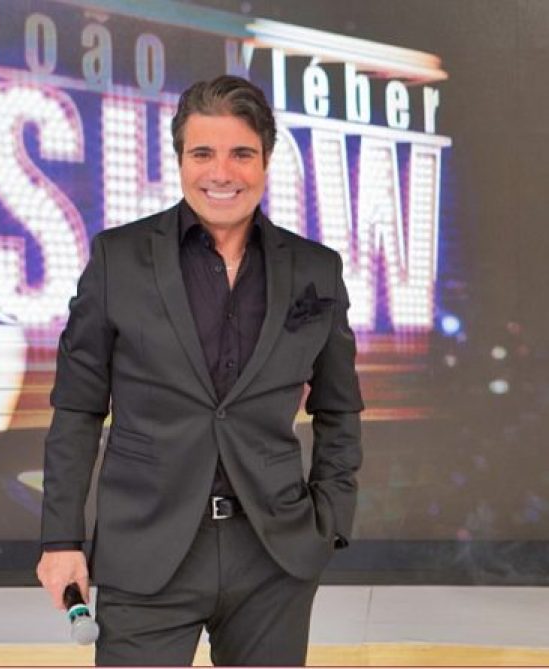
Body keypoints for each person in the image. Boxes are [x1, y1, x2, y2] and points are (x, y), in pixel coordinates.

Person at [36, 74, 363, 666]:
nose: (222, 173)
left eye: (242, 154)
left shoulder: (316, 269)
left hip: (273, 556)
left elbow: (339, 408)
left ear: (266, 160)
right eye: (203, 153)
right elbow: (78, 409)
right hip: (146, 551)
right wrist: (61, 539)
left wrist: (330, 519)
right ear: (180, 158)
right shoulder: (117, 259)